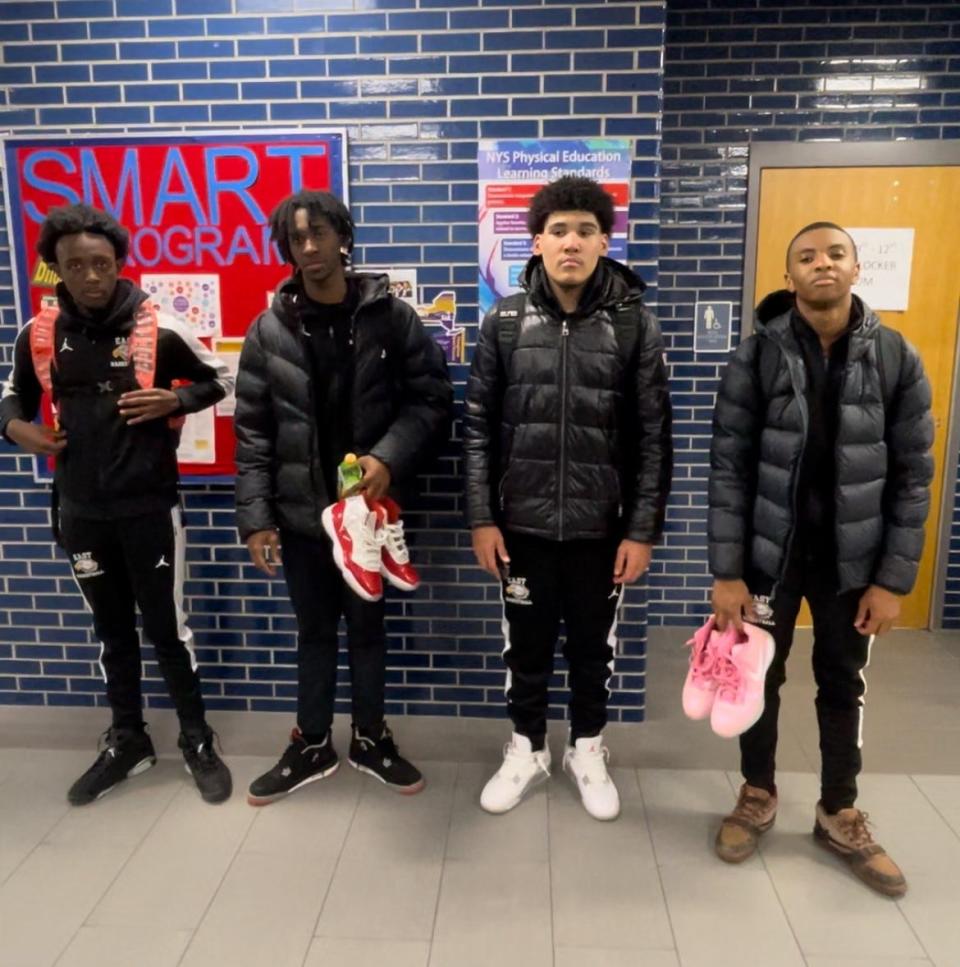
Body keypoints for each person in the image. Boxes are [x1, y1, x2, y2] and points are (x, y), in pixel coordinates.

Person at [708, 221, 934, 896]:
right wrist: (728, 571)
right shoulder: (756, 358)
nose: (822, 265)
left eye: (835, 254)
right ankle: (757, 791)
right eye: (806, 257)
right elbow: (729, 467)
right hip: (770, 558)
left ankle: (839, 809)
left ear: (856, 269)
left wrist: (892, 580)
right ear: (790, 278)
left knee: (843, 683)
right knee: (757, 683)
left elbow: (913, 475)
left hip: (852, 565)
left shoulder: (896, 357)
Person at [0, 203, 234, 805]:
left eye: (100, 264)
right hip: (79, 511)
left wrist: (173, 403)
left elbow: (221, 379)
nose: (90, 276)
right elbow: (10, 402)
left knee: (167, 629)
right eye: (74, 265)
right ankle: (128, 740)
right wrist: (17, 431)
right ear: (56, 270)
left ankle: (196, 738)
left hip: (149, 509)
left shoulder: (158, 327)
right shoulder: (40, 335)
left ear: (119, 264)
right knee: (111, 631)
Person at [464, 176, 673, 820]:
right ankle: (527, 748)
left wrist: (640, 531)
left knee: (593, 650)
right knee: (523, 650)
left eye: (585, 230)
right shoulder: (501, 322)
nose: (572, 242)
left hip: (600, 531)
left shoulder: (635, 324)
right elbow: (476, 430)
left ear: (605, 241)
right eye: (559, 231)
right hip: (520, 526)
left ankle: (587, 747)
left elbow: (654, 438)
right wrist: (481, 519)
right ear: (537, 241)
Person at [234, 189, 452, 805]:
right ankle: (310, 746)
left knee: (368, 631)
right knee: (314, 634)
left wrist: (388, 456)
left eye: (319, 233)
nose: (309, 247)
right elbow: (252, 433)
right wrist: (256, 519)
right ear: (287, 248)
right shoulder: (268, 329)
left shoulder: (391, 317)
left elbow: (432, 401)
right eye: (297, 238)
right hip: (302, 517)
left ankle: (371, 739)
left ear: (342, 236)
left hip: (369, 520)